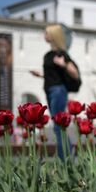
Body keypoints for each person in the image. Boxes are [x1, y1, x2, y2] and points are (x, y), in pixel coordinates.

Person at [30, 24, 79, 159]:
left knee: (58, 125)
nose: (44, 35)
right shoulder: (48, 55)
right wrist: (40, 75)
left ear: (53, 35)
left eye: (46, 33)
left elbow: (74, 74)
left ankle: (67, 157)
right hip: (50, 90)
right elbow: (53, 76)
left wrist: (63, 64)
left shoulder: (61, 54)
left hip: (58, 91)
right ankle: (67, 155)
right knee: (58, 125)